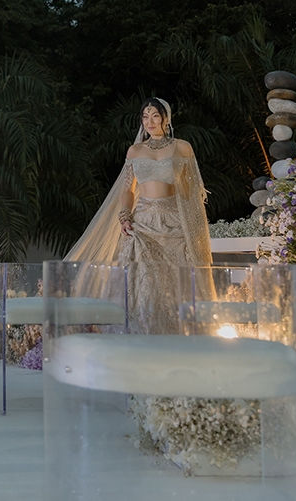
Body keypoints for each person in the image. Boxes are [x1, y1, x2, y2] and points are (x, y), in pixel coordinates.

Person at [64, 98, 212, 333]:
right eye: (145, 116)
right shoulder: (135, 150)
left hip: (175, 225)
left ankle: (180, 339)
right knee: (144, 287)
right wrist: (124, 217)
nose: (149, 121)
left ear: (166, 118)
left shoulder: (182, 147)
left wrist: (194, 229)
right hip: (143, 225)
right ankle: (143, 338)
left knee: (177, 285)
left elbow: (192, 192)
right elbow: (127, 189)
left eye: (155, 115)